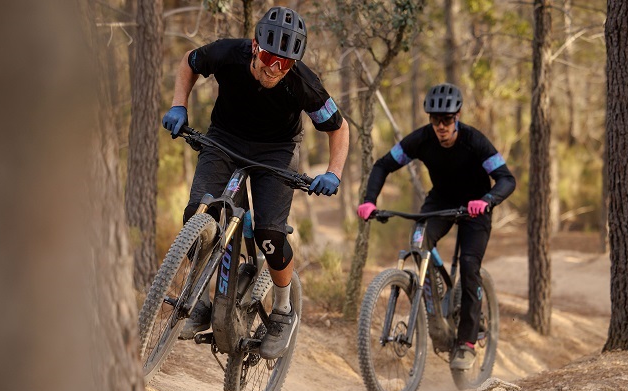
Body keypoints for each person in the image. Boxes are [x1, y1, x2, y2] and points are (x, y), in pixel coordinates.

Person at [161, 6, 349, 360]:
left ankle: (282, 312)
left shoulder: (302, 83)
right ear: (254, 46)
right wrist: (179, 105)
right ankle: (200, 300)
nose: (273, 69)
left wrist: (333, 172)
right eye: (267, 56)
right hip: (224, 140)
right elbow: (190, 61)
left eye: (284, 63)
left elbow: (338, 127)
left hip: (276, 153)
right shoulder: (228, 54)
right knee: (198, 214)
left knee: (269, 235)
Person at [356, 83, 515, 371]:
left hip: (475, 207)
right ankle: (436, 320)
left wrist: (487, 200)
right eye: (435, 119)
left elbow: (506, 179)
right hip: (440, 202)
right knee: (418, 243)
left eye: (447, 120)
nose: (441, 126)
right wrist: (369, 201)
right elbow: (382, 165)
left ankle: (467, 341)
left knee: (469, 265)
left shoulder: (475, 141)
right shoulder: (421, 140)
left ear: (457, 117)